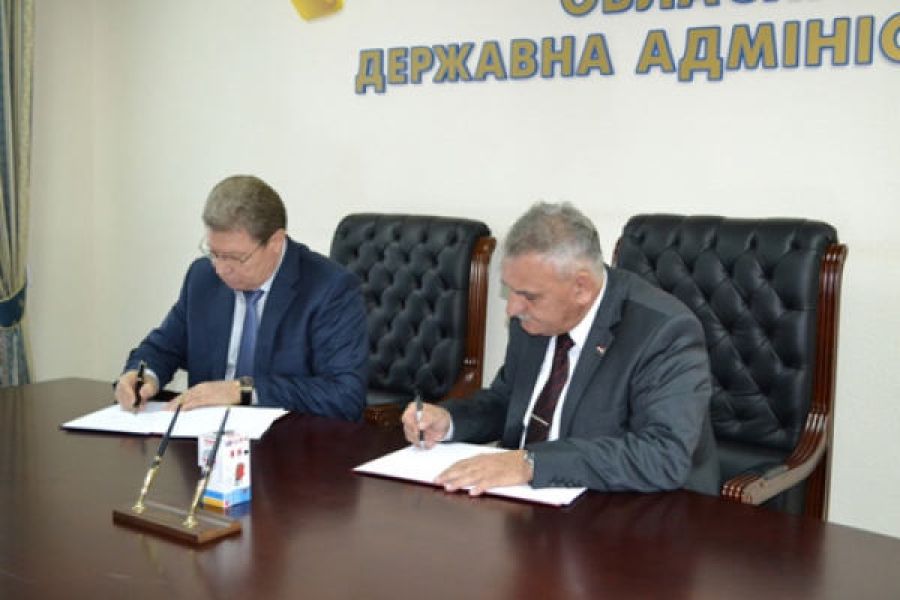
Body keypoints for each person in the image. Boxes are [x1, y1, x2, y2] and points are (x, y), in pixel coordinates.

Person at [402, 202, 719, 495]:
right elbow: (507, 402)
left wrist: (532, 463)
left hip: (635, 512)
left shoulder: (664, 331)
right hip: (531, 505)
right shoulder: (533, 319)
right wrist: (450, 420)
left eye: (528, 296)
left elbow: (663, 455)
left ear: (581, 288)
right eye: (511, 291)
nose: (513, 308)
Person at [114, 175, 368, 420]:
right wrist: (142, 376)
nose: (220, 269)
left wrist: (243, 391)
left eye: (234, 258)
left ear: (275, 242)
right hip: (204, 438)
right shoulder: (203, 277)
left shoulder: (329, 289)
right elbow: (162, 348)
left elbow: (344, 396)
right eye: (214, 253)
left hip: (287, 441)